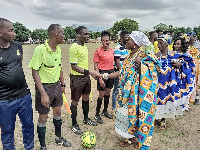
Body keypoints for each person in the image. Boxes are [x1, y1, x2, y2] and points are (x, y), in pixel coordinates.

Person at [99, 31, 161, 149]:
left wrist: (139, 65)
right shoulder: (128, 57)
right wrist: (104, 76)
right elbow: (121, 72)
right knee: (128, 116)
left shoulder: (143, 56)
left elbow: (152, 70)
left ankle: (138, 139)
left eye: (130, 40)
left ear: (136, 44)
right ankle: (131, 137)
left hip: (138, 95)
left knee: (138, 115)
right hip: (125, 93)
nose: (127, 42)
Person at [29, 24, 71, 149]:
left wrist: (62, 84)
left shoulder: (58, 49)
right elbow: (35, 71)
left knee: (58, 112)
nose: (64, 36)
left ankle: (58, 138)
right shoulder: (40, 49)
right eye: (63, 33)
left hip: (57, 86)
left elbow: (60, 68)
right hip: (45, 88)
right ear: (56, 34)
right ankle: (43, 146)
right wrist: (42, 93)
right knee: (43, 117)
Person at [0, 18, 34, 149]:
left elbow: (18, 63)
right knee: (7, 131)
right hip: (4, 99)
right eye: (11, 30)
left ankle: (29, 147)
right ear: (0, 33)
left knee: (28, 126)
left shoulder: (18, 46)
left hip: (23, 95)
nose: (14, 33)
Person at [154, 34, 193, 129]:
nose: (158, 45)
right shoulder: (156, 55)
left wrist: (179, 64)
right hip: (157, 82)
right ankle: (156, 117)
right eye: (158, 43)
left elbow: (187, 61)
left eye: (161, 43)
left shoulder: (174, 54)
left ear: (166, 44)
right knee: (157, 99)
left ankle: (163, 120)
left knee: (166, 99)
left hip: (169, 83)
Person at [68, 26, 99, 135]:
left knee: (86, 97)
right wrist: (90, 72)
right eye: (85, 34)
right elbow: (74, 67)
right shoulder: (73, 48)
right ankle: (74, 124)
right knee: (75, 101)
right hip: (77, 78)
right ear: (78, 35)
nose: (88, 36)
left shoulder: (85, 47)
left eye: (88, 34)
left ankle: (86, 119)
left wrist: (89, 74)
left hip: (86, 77)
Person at [93, 31, 114, 123]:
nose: (106, 42)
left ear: (110, 41)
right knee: (101, 94)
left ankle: (105, 111)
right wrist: (100, 78)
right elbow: (96, 66)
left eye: (107, 40)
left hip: (110, 73)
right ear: (101, 41)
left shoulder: (112, 51)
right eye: (103, 41)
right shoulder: (98, 51)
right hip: (102, 73)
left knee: (107, 93)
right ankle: (97, 114)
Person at [173, 36, 195, 111]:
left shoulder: (187, 55)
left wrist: (182, 63)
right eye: (175, 44)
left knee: (185, 90)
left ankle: (184, 106)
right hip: (176, 75)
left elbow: (191, 64)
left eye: (178, 44)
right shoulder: (173, 54)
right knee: (177, 90)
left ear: (183, 45)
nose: (176, 45)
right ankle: (176, 106)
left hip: (186, 75)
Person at [111, 30, 129, 117]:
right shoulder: (118, 48)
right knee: (116, 90)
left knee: (124, 90)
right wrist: (122, 72)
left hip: (126, 73)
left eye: (128, 38)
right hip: (119, 73)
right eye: (126, 38)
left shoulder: (127, 47)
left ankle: (121, 107)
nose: (127, 39)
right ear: (121, 37)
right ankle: (114, 109)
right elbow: (117, 62)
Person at [187, 31, 200, 105]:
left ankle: (197, 97)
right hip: (189, 66)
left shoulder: (197, 45)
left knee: (197, 80)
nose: (190, 37)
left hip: (197, 65)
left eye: (191, 35)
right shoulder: (185, 45)